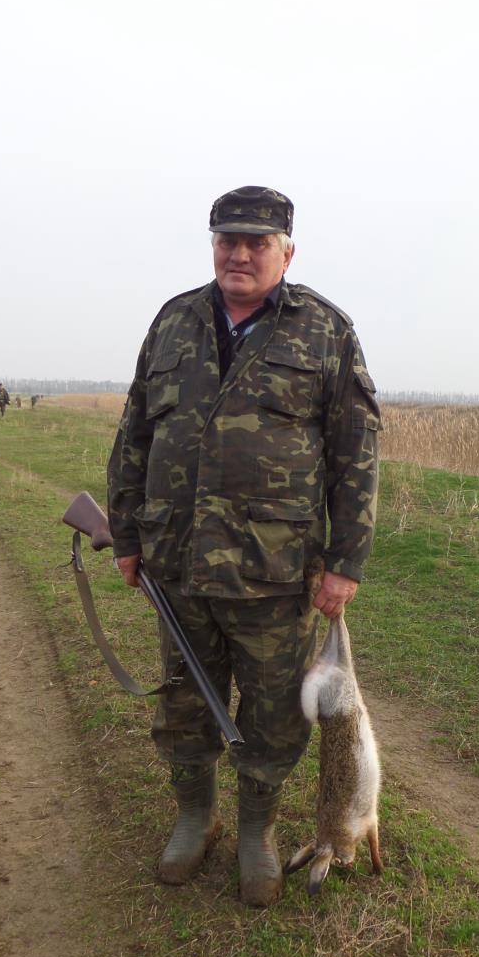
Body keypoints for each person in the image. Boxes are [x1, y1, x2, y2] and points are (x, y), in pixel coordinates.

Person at [107, 185, 381, 906]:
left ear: (287, 252)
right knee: (184, 701)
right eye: (227, 240)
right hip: (177, 562)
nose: (239, 254)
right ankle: (195, 817)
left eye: (257, 243)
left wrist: (346, 561)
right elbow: (135, 435)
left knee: (273, 711)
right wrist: (126, 534)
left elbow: (356, 453)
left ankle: (257, 828)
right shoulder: (174, 322)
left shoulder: (324, 331)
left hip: (275, 570)